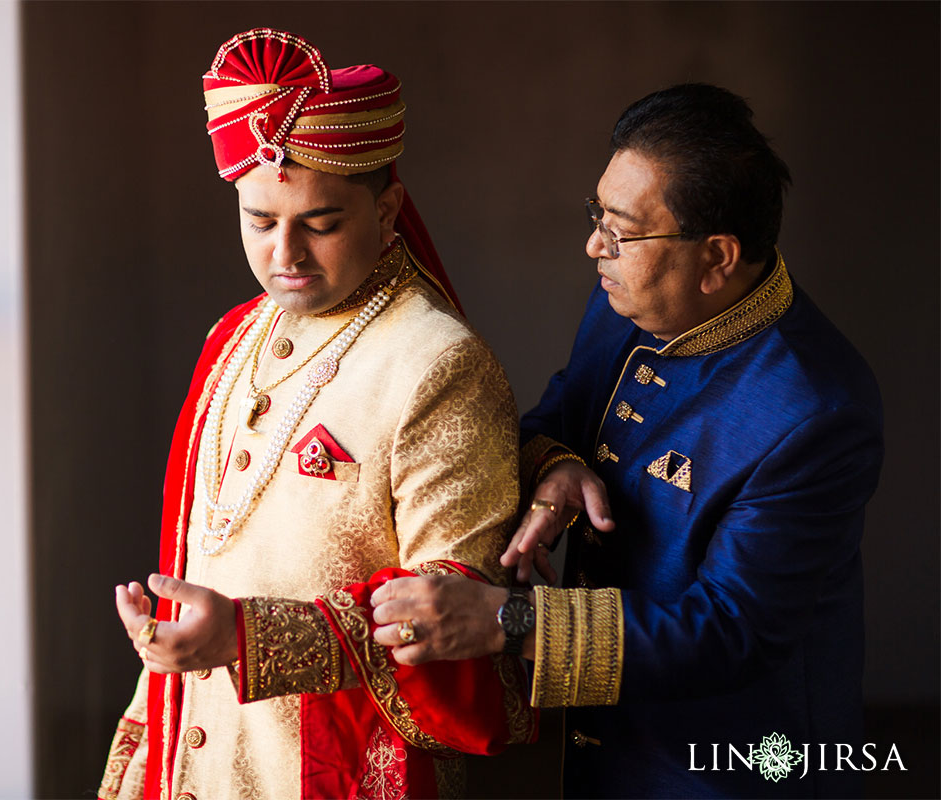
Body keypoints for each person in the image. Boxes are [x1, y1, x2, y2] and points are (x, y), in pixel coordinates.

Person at [367, 84, 883, 797]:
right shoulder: (631, 299)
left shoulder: (817, 411)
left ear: (718, 257)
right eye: (596, 215)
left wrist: (510, 621)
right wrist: (559, 468)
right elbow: (557, 415)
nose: (594, 247)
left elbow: (731, 631)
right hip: (604, 744)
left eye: (620, 230)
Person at [98, 27, 534, 800]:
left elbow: (452, 618)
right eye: (259, 221)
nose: (285, 256)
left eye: (321, 223)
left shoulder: (438, 362)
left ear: (389, 207)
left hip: (337, 772)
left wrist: (247, 636)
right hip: (196, 760)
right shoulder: (232, 337)